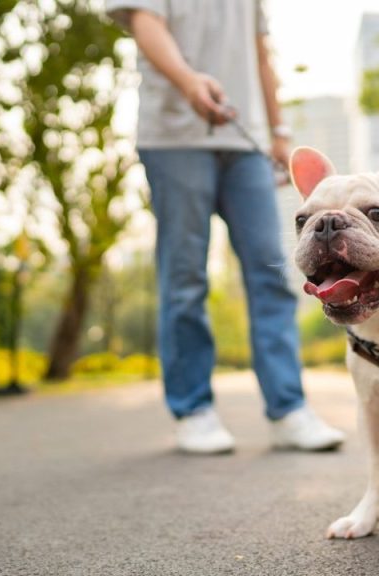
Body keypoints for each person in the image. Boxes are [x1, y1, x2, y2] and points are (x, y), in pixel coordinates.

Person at [105, 0, 345, 453]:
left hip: (245, 140)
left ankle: (288, 409)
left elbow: (260, 51)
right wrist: (189, 81)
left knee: (272, 270)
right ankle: (193, 410)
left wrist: (279, 130)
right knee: (185, 277)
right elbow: (144, 22)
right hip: (174, 139)